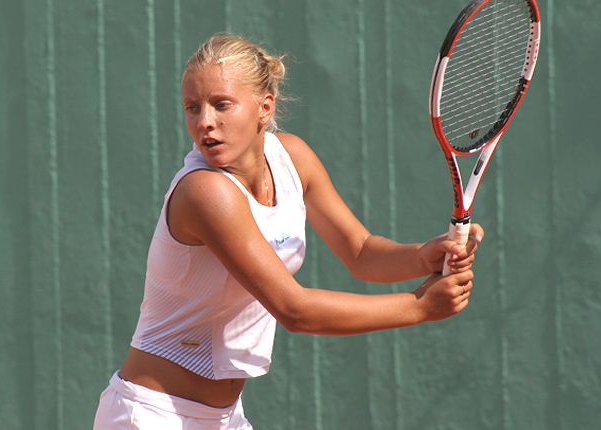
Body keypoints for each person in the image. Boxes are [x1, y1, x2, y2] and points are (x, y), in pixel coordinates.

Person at [93, 33, 483, 430]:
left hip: (223, 419)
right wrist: (419, 306)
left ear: (264, 108)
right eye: (192, 107)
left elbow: (361, 251)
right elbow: (295, 310)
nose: (204, 121)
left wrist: (422, 256)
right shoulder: (205, 192)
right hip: (150, 415)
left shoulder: (292, 158)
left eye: (221, 104)